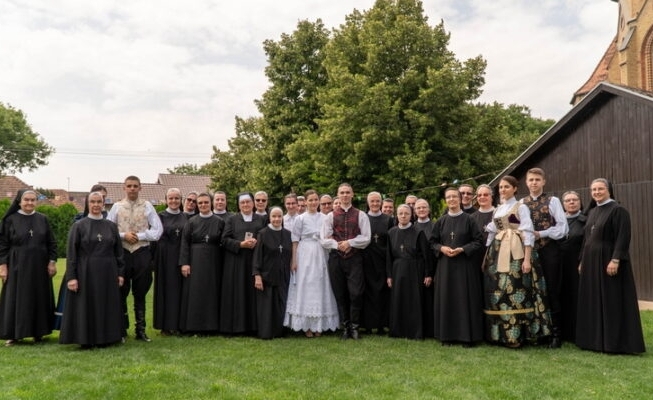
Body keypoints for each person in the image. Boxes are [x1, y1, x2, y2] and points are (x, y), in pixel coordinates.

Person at [575, 179, 645, 354]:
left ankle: (614, 342)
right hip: (591, 262)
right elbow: (587, 239)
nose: (597, 192)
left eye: (600, 189)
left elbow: (623, 237)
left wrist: (615, 259)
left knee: (610, 300)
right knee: (594, 299)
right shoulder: (592, 212)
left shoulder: (618, 210)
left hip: (608, 259)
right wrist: (582, 260)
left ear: (609, 190)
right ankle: (594, 340)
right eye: (594, 189)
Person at [483, 176, 552, 348]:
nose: (503, 190)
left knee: (515, 291)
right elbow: (492, 232)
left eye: (506, 187)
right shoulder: (498, 209)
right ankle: (500, 336)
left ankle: (519, 336)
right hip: (498, 253)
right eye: (500, 188)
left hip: (517, 252)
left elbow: (527, 231)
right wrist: (486, 256)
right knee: (498, 292)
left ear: (515, 188)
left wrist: (527, 259)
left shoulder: (520, 207)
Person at [59, 192, 124, 348]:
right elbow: (72, 253)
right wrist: (72, 277)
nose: (96, 205)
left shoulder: (111, 226)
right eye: (92, 202)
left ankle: (107, 338)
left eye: (99, 202)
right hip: (85, 271)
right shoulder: (79, 226)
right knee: (86, 305)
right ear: (88, 204)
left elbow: (119, 252)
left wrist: (120, 273)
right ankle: (86, 339)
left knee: (105, 304)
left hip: (108, 271)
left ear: (103, 203)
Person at [107, 175, 163, 342]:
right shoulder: (116, 207)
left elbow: (158, 230)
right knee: (120, 292)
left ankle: (141, 330)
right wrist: (124, 235)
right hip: (122, 253)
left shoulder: (148, 206)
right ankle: (121, 330)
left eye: (135, 186)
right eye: (129, 186)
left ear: (140, 188)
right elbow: (109, 230)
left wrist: (139, 235)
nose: (132, 189)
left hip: (141, 252)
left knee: (140, 292)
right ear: (124, 188)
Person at [0, 190, 57, 346]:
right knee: (16, 298)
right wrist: (3, 267)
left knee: (38, 297)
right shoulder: (10, 220)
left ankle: (38, 332)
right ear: (19, 201)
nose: (30, 203)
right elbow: (3, 245)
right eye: (27, 200)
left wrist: (52, 262)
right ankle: (13, 334)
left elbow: (51, 243)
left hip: (40, 265)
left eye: (33, 200)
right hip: (17, 264)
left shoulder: (42, 219)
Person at [430, 188, 484, 346]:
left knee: (464, 299)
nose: (452, 199)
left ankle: (467, 337)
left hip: (464, 267)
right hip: (445, 267)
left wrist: (462, 249)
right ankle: (447, 336)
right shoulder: (441, 221)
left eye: (454, 196)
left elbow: (478, 242)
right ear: (446, 200)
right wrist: (442, 248)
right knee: (447, 299)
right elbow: (432, 242)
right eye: (448, 197)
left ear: (460, 199)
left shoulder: (469, 219)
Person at [521, 167, 568, 348]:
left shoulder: (552, 201)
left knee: (552, 290)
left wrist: (542, 233)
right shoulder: (521, 203)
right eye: (531, 180)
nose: (534, 183)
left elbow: (563, 228)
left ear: (543, 182)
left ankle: (556, 334)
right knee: (533, 291)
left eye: (537, 180)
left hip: (549, 250)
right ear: (526, 182)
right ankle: (539, 332)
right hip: (529, 252)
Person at [285, 191, 339, 337]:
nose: (314, 202)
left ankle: (318, 324)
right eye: (311, 200)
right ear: (306, 202)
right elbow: (295, 241)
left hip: (321, 252)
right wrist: (294, 260)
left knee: (320, 286)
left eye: (316, 200)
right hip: (304, 254)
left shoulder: (325, 217)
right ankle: (307, 325)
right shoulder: (300, 219)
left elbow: (328, 235)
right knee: (306, 286)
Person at [321, 183, 371, 340]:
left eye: (347, 192)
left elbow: (366, 238)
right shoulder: (330, 216)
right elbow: (323, 239)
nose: (344, 195)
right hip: (336, 259)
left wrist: (350, 243)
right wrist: (338, 245)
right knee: (340, 293)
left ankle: (355, 327)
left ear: (352, 194)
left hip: (355, 258)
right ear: (338, 194)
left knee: (356, 293)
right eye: (341, 192)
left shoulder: (361, 215)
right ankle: (346, 327)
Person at [57, 183, 108, 330]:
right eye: (94, 200)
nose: (98, 202)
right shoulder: (79, 223)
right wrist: (72, 276)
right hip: (82, 267)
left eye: (102, 198)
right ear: (88, 201)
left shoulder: (109, 223)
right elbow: (73, 249)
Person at [179, 193, 225, 334]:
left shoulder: (219, 221)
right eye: (200, 203)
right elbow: (185, 243)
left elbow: (223, 242)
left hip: (214, 260)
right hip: (195, 259)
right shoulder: (191, 222)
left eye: (206, 202)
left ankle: (211, 326)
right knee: (195, 292)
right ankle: (193, 326)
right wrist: (184, 263)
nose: (203, 205)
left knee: (212, 291)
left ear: (211, 203)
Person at [220, 192, 266, 335]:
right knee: (238, 293)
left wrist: (258, 242)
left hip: (255, 261)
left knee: (254, 294)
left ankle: (254, 327)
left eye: (248, 202)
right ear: (238, 205)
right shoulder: (232, 220)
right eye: (242, 203)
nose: (245, 205)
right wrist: (241, 244)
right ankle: (238, 327)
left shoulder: (262, 219)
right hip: (237, 262)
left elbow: (266, 236)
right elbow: (224, 240)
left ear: (253, 203)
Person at [386, 204, 433, 339]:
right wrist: (389, 275)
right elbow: (388, 256)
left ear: (411, 215)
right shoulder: (391, 232)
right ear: (397, 215)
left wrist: (428, 273)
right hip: (397, 269)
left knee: (414, 301)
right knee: (398, 300)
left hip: (415, 269)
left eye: (406, 213)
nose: (403, 216)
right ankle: (398, 331)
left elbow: (426, 255)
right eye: (400, 213)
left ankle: (414, 332)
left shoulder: (418, 232)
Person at [253, 207, 292, 339]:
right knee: (267, 306)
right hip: (267, 275)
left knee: (281, 304)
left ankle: (279, 332)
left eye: (279, 216)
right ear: (269, 217)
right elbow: (257, 256)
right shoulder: (262, 233)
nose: (276, 219)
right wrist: (257, 275)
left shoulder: (287, 234)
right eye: (274, 216)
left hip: (283, 276)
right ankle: (266, 333)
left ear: (282, 218)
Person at [153, 188, 187, 336]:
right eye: (171, 198)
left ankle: (179, 324)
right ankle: (165, 326)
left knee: (180, 292)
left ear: (181, 200)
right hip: (164, 259)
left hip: (180, 257)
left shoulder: (186, 218)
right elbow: (153, 239)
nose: (174, 201)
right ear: (166, 199)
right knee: (164, 291)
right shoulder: (159, 217)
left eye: (177, 198)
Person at [361, 191, 394, 334]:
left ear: (381, 202)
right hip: (366, 260)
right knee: (367, 292)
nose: (375, 204)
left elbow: (391, 242)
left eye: (377, 201)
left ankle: (381, 325)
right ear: (368, 203)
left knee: (382, 293)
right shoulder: (363, 218)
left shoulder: (389, 220)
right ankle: (368, 325)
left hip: (382, 260)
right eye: (372, 201)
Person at [558, 190, 585, 342]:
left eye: (574, 200)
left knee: (576, 297)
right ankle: (563, 333)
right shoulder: (558, 221)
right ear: (563, 204)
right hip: (560, 264)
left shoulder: (585, 221)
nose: (571, 202)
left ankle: (577, 333)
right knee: (562, 296)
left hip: (577, 264)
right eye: (568, 200)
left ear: (580, 202)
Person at [413, 198, 435, 338]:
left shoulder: (435, 225)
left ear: (429, 209)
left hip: (434, 265)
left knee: (431, 299)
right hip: (416, 268)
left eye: (424, 207)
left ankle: (431, 329)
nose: (421, 210)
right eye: (418, 208)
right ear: (415, 211)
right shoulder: (412, 227)